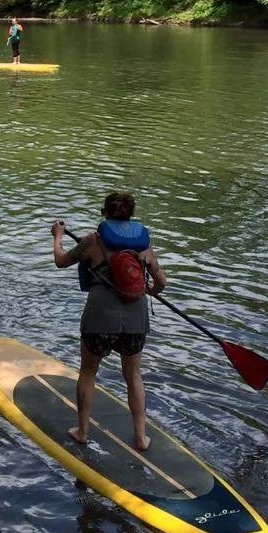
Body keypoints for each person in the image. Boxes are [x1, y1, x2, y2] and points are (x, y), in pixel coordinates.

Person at [51, 191, 167, 452]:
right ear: (130, 215)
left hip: (99, 318)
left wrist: (58, 236)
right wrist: (148, 290)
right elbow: (161, 282)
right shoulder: (144, 247)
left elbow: (61, 261)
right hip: (136, 318)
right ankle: (140, 437)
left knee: (89, 373)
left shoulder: (94, 241)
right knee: (133, 375)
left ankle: (82, 431)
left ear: (104, 213)